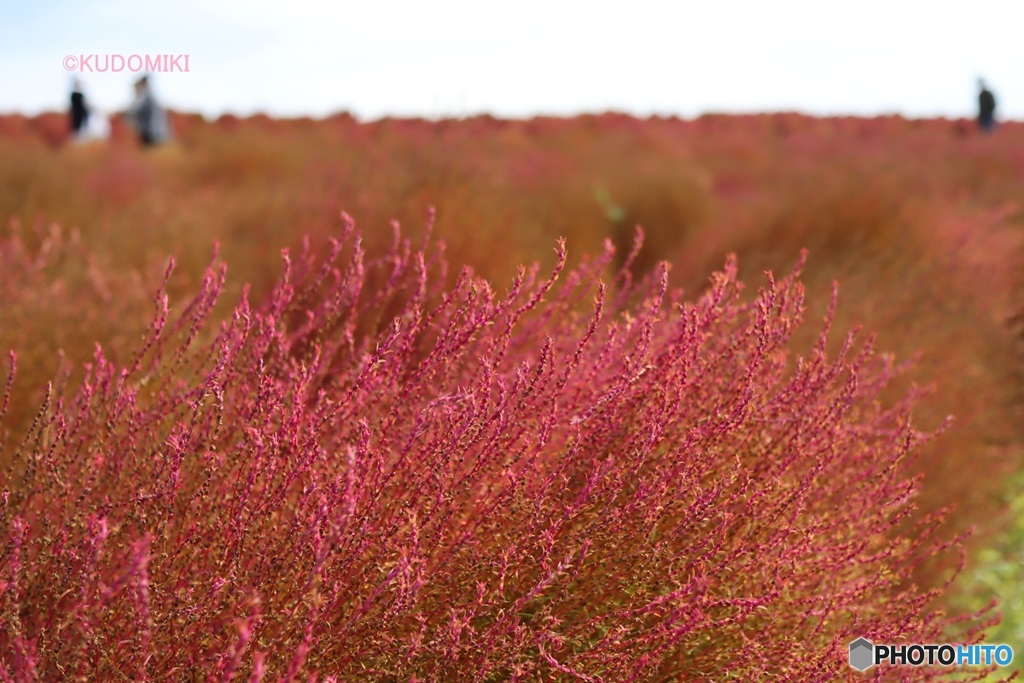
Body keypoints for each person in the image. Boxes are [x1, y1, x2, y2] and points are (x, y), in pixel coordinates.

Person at [126, 75, 171, 146]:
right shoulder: (151, 96)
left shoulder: (145, 97)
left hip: (152, 134)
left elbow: (135, 112)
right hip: (156, 134)